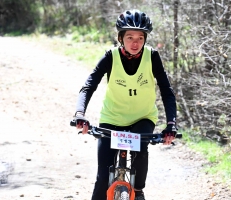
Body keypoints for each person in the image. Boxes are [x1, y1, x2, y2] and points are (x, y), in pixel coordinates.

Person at [73, 9, 178, 200]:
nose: (135, 43)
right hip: (112, 119)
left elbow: (166, 91)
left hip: (142, 117)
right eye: (129, 37)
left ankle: (138, 191)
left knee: (140, 152)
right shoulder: (110, 57)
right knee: (102, 178)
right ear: (121, 38)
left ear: (145, 38)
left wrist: (171, 125)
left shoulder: (152, 56)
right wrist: (80, 114)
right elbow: (89, 86)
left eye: (140, 37)